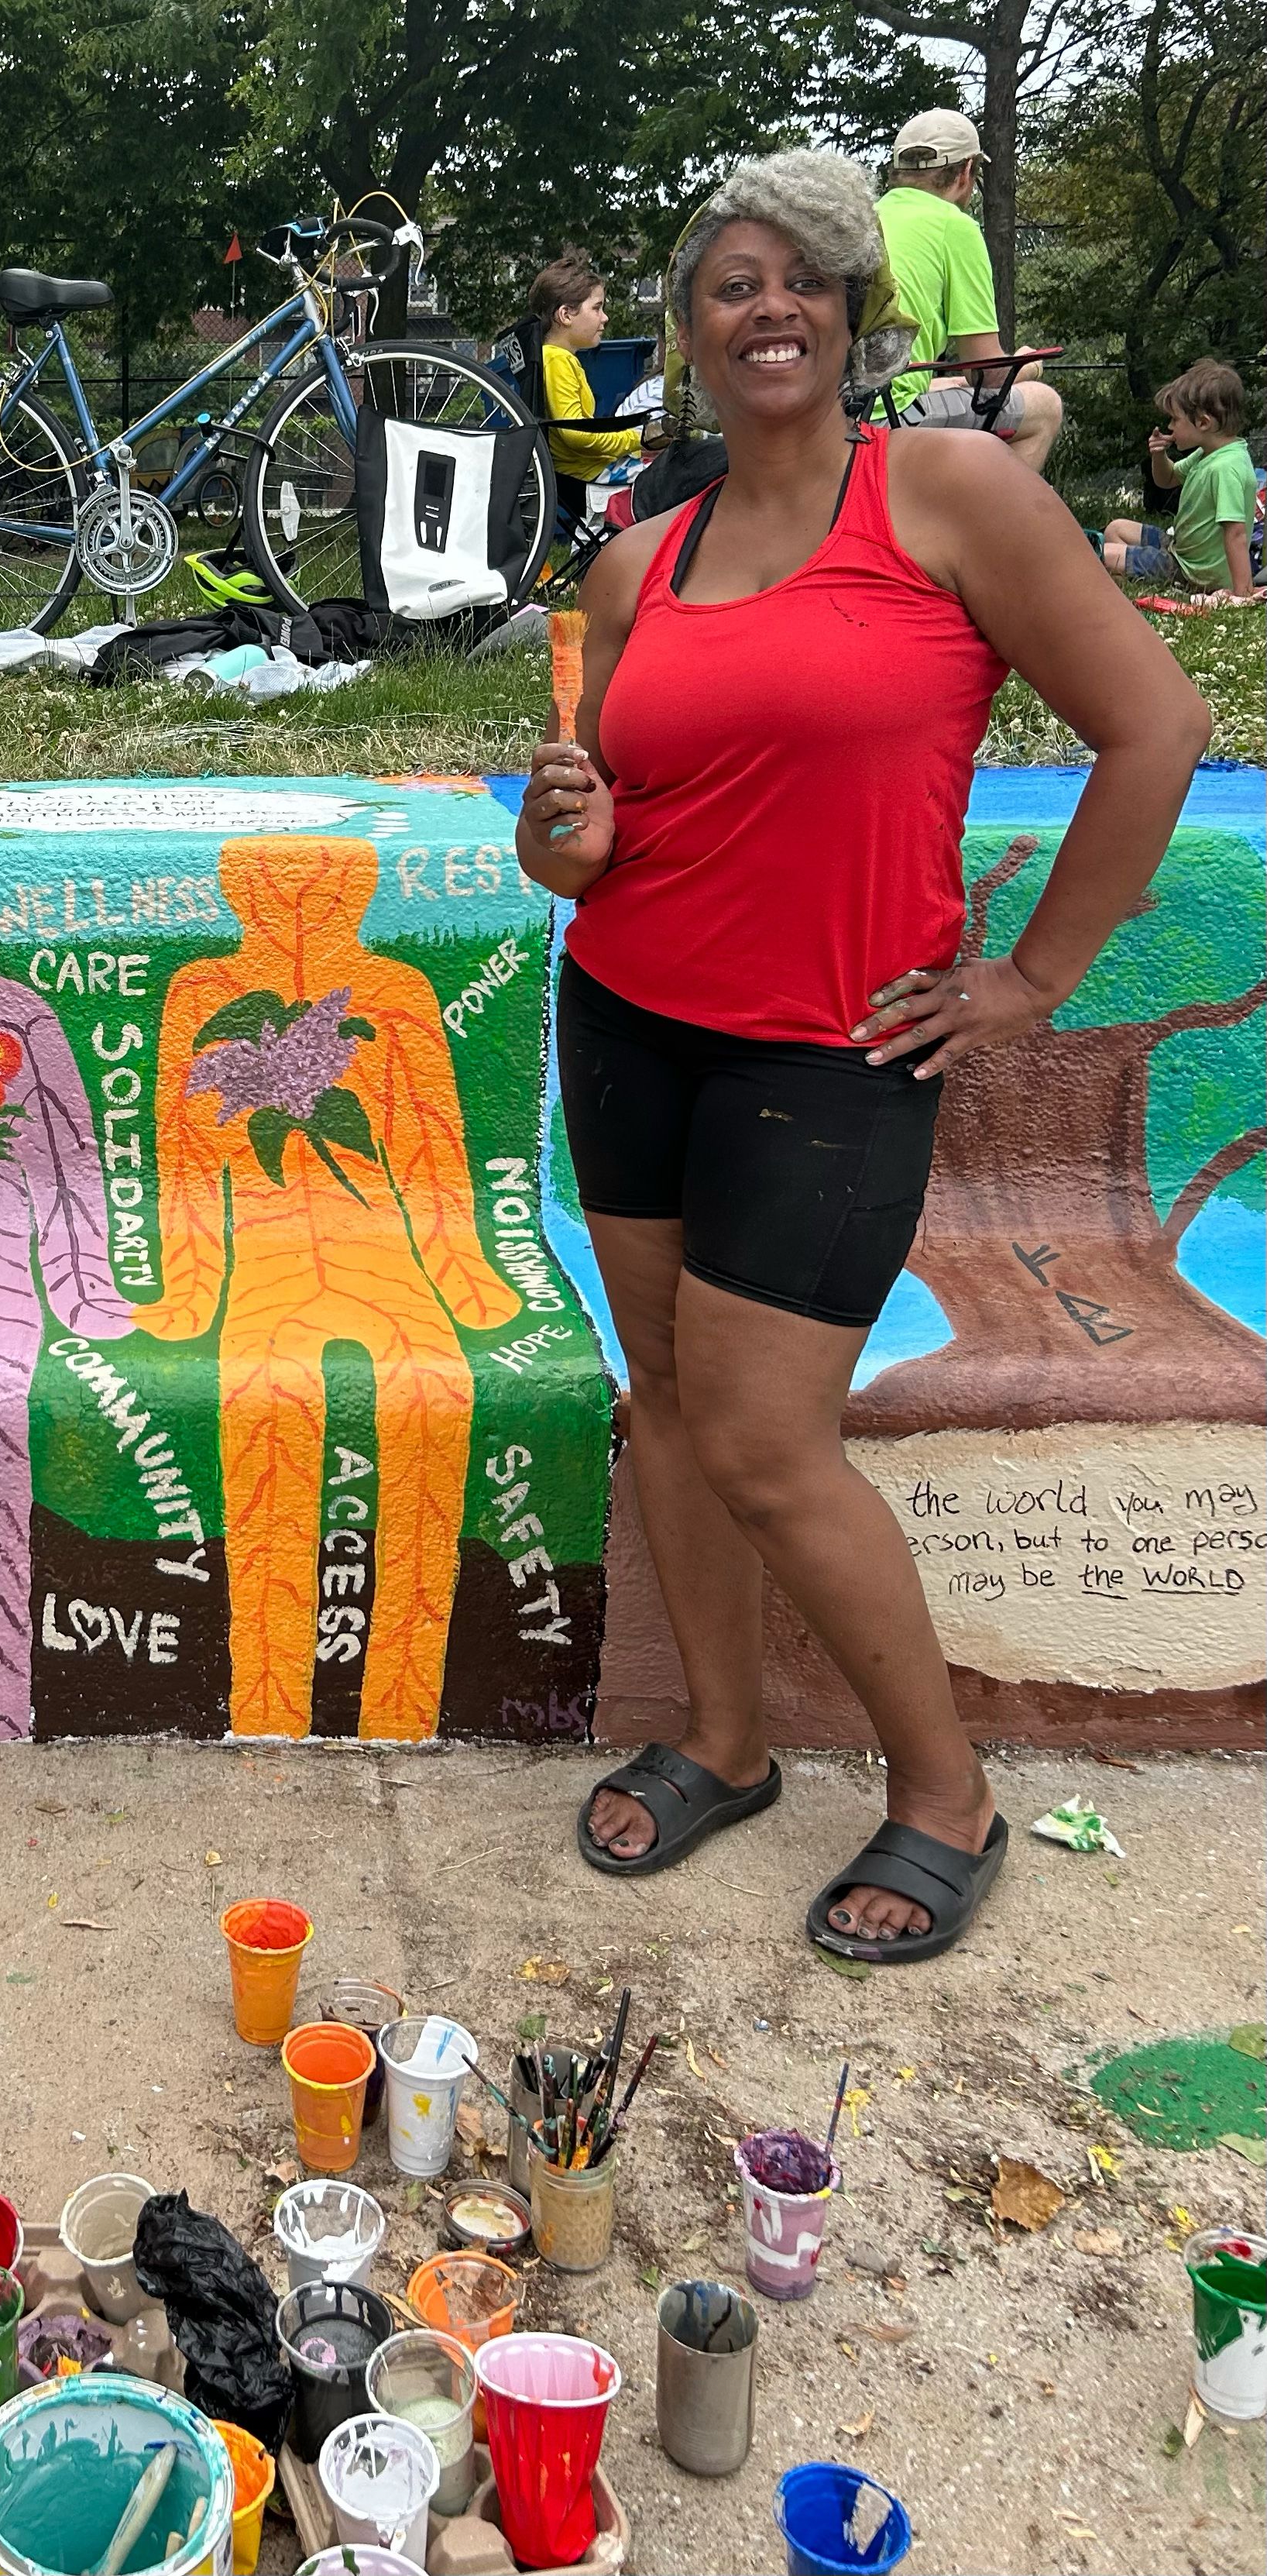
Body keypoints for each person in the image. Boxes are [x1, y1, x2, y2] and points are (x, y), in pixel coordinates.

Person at [516, 149, 1208, 1962]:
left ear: (850, 316)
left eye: (801, 281)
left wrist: (1036, 976)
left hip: (827, 1057)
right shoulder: (632, 566)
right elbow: (589, 843)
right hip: (627, 1024)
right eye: (731, 282)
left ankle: (943, 1795)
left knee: (762, 1439)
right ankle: (725, 1746)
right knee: (666, 1401)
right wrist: (558, 834)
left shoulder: (948, 493)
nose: (767, 305)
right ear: (685, 327)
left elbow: (1156, 725)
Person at [877, 108, 1062, 474]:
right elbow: (989, 376)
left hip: (836, 415)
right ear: (965, 172)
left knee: (948, 387)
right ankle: (994, 530)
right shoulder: (954, 227)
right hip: (886, 422)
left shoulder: (866, 216)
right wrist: (1028, 365)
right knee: (1045, 407)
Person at [1101, 359, 1258, 599]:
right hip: (1181, 550)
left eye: (1175, 419)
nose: (1169, 426)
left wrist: (1242, 594)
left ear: (1204, 423)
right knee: (1116, 529)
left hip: (1193, 574)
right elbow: (1168, 478)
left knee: (1105, 554)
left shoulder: (1226, 468)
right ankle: (1126, 593)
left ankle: (1141, 592)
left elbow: (1236, 533)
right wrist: (1159, 455)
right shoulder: (1209, 453)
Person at [529, 251, 643, 509]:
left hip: (582, 474)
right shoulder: (558, 360)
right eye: (597, 308)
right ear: (566, 315)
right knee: (681, 480)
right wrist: (637, 438)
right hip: (592, 477)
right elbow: (576, 434)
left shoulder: (550, 358)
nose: (605, 317)